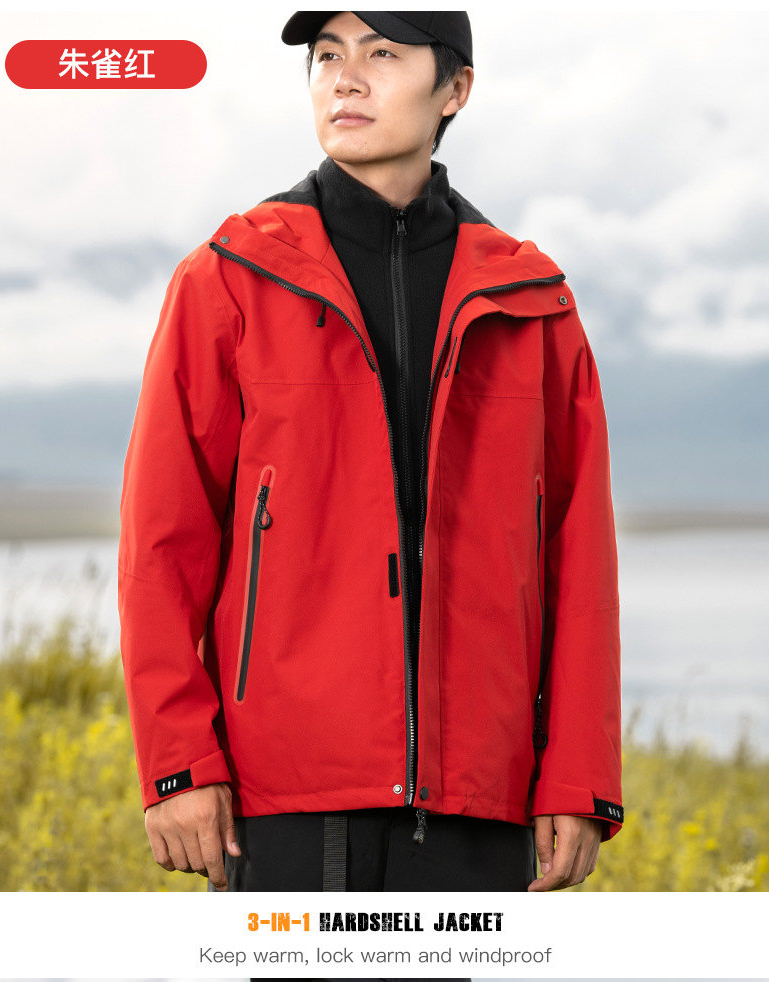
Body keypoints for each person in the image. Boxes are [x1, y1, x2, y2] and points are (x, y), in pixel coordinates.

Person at [118, 10, 623, 894]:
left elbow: (578, 559)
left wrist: (577, 774)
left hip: (479, 798)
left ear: (455, 89)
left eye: (381, 53)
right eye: (327, 56)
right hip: (284, 795)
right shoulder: (230, 278)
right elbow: (161, 543)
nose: (344, 78)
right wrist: (179, 764)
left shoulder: (531, 301)